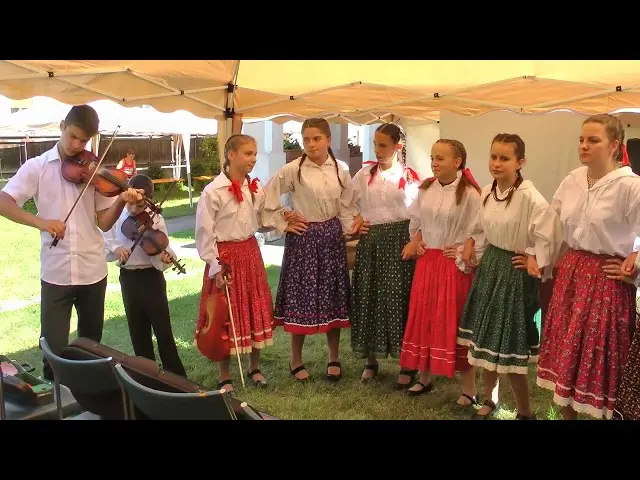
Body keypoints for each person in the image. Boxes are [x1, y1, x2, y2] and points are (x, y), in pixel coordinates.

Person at [0, 104, 144, 380]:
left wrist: (120, 202)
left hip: (92, 269)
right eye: (73, 136)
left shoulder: (95, 171)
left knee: (91, 346)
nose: (77, 145)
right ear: (62, 127)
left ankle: (87, 397)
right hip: (56, 271)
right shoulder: (38, 167)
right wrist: (41, 222)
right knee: (53, 347)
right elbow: (4, 202)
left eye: (84, 140)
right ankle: (55, 398)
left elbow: (104, 222)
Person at [537, 114, 640, 420]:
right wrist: (539, 256)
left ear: (614, 146)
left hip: (607, 278)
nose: (584, 145)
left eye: (593, 140)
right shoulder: (572, 180)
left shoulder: (630, 186)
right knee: (569, 352)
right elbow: (551, 222)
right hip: (572, 273)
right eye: (581, 139)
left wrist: (635, 260)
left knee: (599, 355)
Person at [457, 133, 562, 420]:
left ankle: (526, 411)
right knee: (488, 340)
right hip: (491, 267)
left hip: (514, 274)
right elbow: (479, 227)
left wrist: (533, 257)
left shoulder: (530, 196)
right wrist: (470, 244)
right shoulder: (489, 191)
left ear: (520, 162)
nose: (497, 163)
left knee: (511, 347)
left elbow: (549, 234)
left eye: (505, 158)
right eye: (494, 156)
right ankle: (490, 399)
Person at [261, 118, 362, 382]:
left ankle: (333, 357)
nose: (311, 144)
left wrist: (351, 228)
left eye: (316, 138)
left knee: (332, 297)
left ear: (328, 139)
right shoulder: (292, 170)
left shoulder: (340, 169)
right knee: (300, 298)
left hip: (331, 238)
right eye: (306, 139)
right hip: (303, 239)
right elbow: (266, 199)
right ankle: (295, 359)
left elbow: (347, 205)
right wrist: (284, 221)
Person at [398, 139, 482, 407]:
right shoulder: (426, 188)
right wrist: (416, 240)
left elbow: (478, 231)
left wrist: (462, 249)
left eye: (440, 158)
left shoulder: (470, 193)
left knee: (456, 321)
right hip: (427, 262)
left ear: (457, 162)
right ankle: (424, 376)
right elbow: (419, 222)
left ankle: (469, 388)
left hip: (452, 265)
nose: (434, 162)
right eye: (433, 157)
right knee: (425, 317)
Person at [195, 134, 275, 391]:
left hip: (250, 252)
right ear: (231, 155)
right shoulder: (212, 192)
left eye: (254, 153)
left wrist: (282, 219)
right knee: (224, 313)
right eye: (248, 153)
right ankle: (224, 372)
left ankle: (255, 367)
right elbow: (205, 233)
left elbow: (263, 219)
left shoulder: (254, 187)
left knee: (254, 306)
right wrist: (215, 265)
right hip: (225, 256)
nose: (253, 158)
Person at [348, 123, 420, 384]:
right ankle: (371, 358)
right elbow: (345, 201)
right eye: (375, 144)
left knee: (398, 297)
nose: (377, 150)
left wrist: (414, 241)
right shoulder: (365, 174)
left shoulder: (410, 176)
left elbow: (419, 212)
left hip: (400, 240)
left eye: (383, 145)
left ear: (397, 146)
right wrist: (357, 219)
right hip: (372, 240)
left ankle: (407, 362)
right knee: (369, 294)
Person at [102, 174, 187, 377]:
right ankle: (146, 374)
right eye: (130, 205)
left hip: (151, 278)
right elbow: (105, 238)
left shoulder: (156, 219)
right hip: (129, 278)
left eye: (139, 207)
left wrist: (166, 258)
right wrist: (116, 249)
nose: (133, 210)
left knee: (162, 328)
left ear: (148, 201)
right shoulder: (117, 216)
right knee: (137, 329)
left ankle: (175, 376)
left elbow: (163, 250)